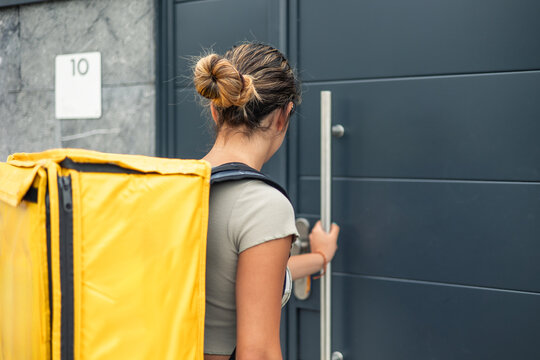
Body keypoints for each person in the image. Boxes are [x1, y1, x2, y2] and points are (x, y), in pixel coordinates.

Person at [193, 43, 340, 360]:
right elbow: (257, 352)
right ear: (283, 117)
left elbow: (248, 273)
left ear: (215, 109)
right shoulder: (262, 204)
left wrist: (319, 258)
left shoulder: (178, 184)